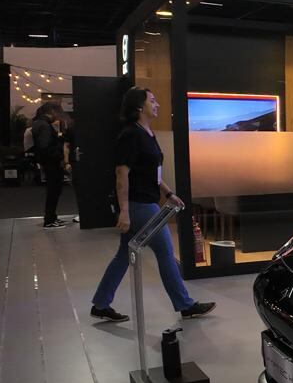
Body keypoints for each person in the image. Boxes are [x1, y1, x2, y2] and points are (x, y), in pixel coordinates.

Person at [90, 88, 215, 323]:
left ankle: (101, 303)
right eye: (152, 101)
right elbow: (121, 174)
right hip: (140, 205)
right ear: (140, 106)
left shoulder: (147, 133)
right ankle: (185, 304)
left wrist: (168, 193)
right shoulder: (130, 135)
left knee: (123, 255)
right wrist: (124, 211)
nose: (157, 104)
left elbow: (152, 173)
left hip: (146, 201)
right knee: (165, 252)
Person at [31, 102, 70, 229]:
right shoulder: (44, 126)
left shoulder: (39, 123)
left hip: (48, 162)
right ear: (52, 111)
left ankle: (51, 217)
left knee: (53, 191)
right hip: (52, 163)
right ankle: (49, 219)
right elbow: (46, 147)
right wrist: (59, 153)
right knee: (54, 191)